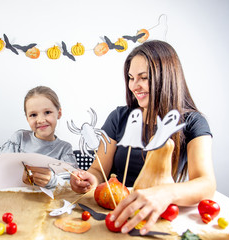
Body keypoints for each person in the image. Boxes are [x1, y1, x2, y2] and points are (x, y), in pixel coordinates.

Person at [70, 40, 216, 235]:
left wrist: (164, 193)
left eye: (143, 78)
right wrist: (90, 180)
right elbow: (98, 170)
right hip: (115, 214)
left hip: (160, 215)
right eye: (131, 77)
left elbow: (206, 183)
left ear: (167, 78)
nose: (134, 86)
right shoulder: (118, 118)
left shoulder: (193, 122)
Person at [0, 86, 78, 188]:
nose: (40, 120)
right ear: (27, 118)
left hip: (47, 202)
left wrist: (52, 181)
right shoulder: (19, 139)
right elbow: (0, 168)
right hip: (17, 198)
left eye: (47, 112)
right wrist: (18, 173)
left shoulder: (64, 149)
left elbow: (72, 185)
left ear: (59, 113)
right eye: (33, 115)